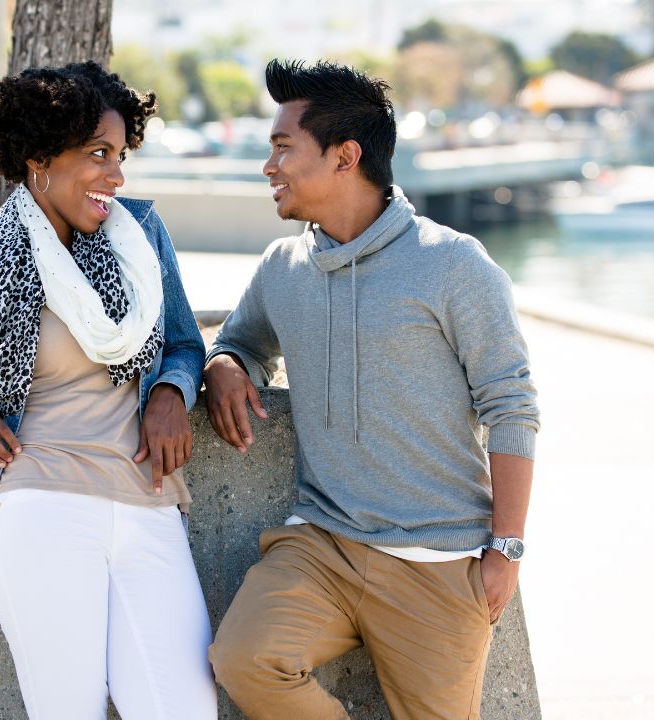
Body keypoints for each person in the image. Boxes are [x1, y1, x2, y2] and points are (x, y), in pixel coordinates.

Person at [203, 59, 540, 720]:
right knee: (241, 658)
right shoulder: (283, 266)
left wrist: (506, 548)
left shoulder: (452, 264)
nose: (269, 167)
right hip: (321, 547)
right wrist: (223, 367)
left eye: (282, 149)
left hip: (437, 561)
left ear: (344, 156)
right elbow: (239, 342)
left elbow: (512, 405)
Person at [0, 61, 216, 720]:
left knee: (183, 708)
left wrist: (170, 393)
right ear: (39, 158)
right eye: (98, 154)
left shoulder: (139, 238)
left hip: (147, 502)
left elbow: (182, 342)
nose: (116, 176)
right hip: (41, 506)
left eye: (120, 156)